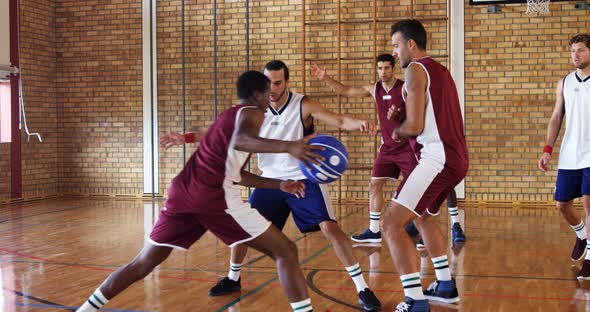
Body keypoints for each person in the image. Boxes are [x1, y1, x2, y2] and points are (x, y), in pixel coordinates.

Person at [75, 70, 322, 312]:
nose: (270, 98)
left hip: (181, 194)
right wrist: (290, 146)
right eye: (268, 92)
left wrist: (279, 184)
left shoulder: (226, 118)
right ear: (257, 95)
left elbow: (236, 173)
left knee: (142, 264)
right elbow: (241, 141)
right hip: (212, 196)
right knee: (286, 251)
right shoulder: (252, 113)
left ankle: (84, 310)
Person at [206, 60, 382, 311]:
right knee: (242, 229)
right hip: (271, 181)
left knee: (330, 229)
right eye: (269, 83)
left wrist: (361, 123)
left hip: (304, 179)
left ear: (287, 82)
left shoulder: (303, 104)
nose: (274, 88)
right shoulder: (253, 110)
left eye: (278, 82)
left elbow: (340, 121)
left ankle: (362, 287)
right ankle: (233, 278)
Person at [311, 55, 466, 247]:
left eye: (387, 68)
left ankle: (422, 230)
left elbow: (419, 115)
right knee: (374, 185)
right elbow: (346, 90)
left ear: (393, 69)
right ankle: (374, 231)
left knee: (419, 192)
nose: (383, 72)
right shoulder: (374, 88)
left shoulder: (404, 88)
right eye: (380, 68)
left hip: (408, 147)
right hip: (387, 147)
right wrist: (325, 78)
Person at [385, 19, 468, 312]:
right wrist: (402, 121)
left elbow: (417, 125)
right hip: (455, 157)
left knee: (391, 224)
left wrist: (398, 130)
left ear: (410, 44)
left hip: (438, 157)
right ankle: (445, 285)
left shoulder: (414, 70)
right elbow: (428, 119)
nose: (394, 52)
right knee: (421, 217)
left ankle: (416, 301)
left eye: (396, 45)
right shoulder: (440, 70)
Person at [538, 33, 590, 280]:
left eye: (580, 50)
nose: (575, 55)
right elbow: (557, 117)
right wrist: (548, 149)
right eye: (572, 51)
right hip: (570, 154)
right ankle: (582, 236)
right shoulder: (565, 82)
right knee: (562, 205)